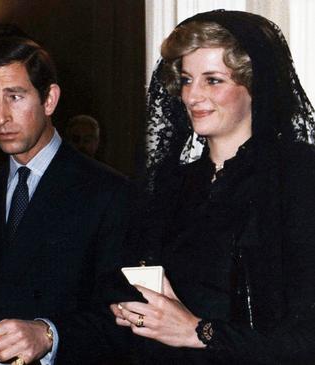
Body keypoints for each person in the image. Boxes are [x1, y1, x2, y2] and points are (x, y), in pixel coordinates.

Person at [111, 10, 315, 363]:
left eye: (213, 80)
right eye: (187, 80)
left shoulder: (299, 177)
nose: (192, 96)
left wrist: (199, 332)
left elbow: (305, 337)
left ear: (254, 86)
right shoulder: (172, 186)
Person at [0, 37, 132, 365]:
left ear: (49, 99)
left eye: (15, 97)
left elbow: (126, 318)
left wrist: (49, 334)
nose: (2, 117)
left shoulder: (108, 192)